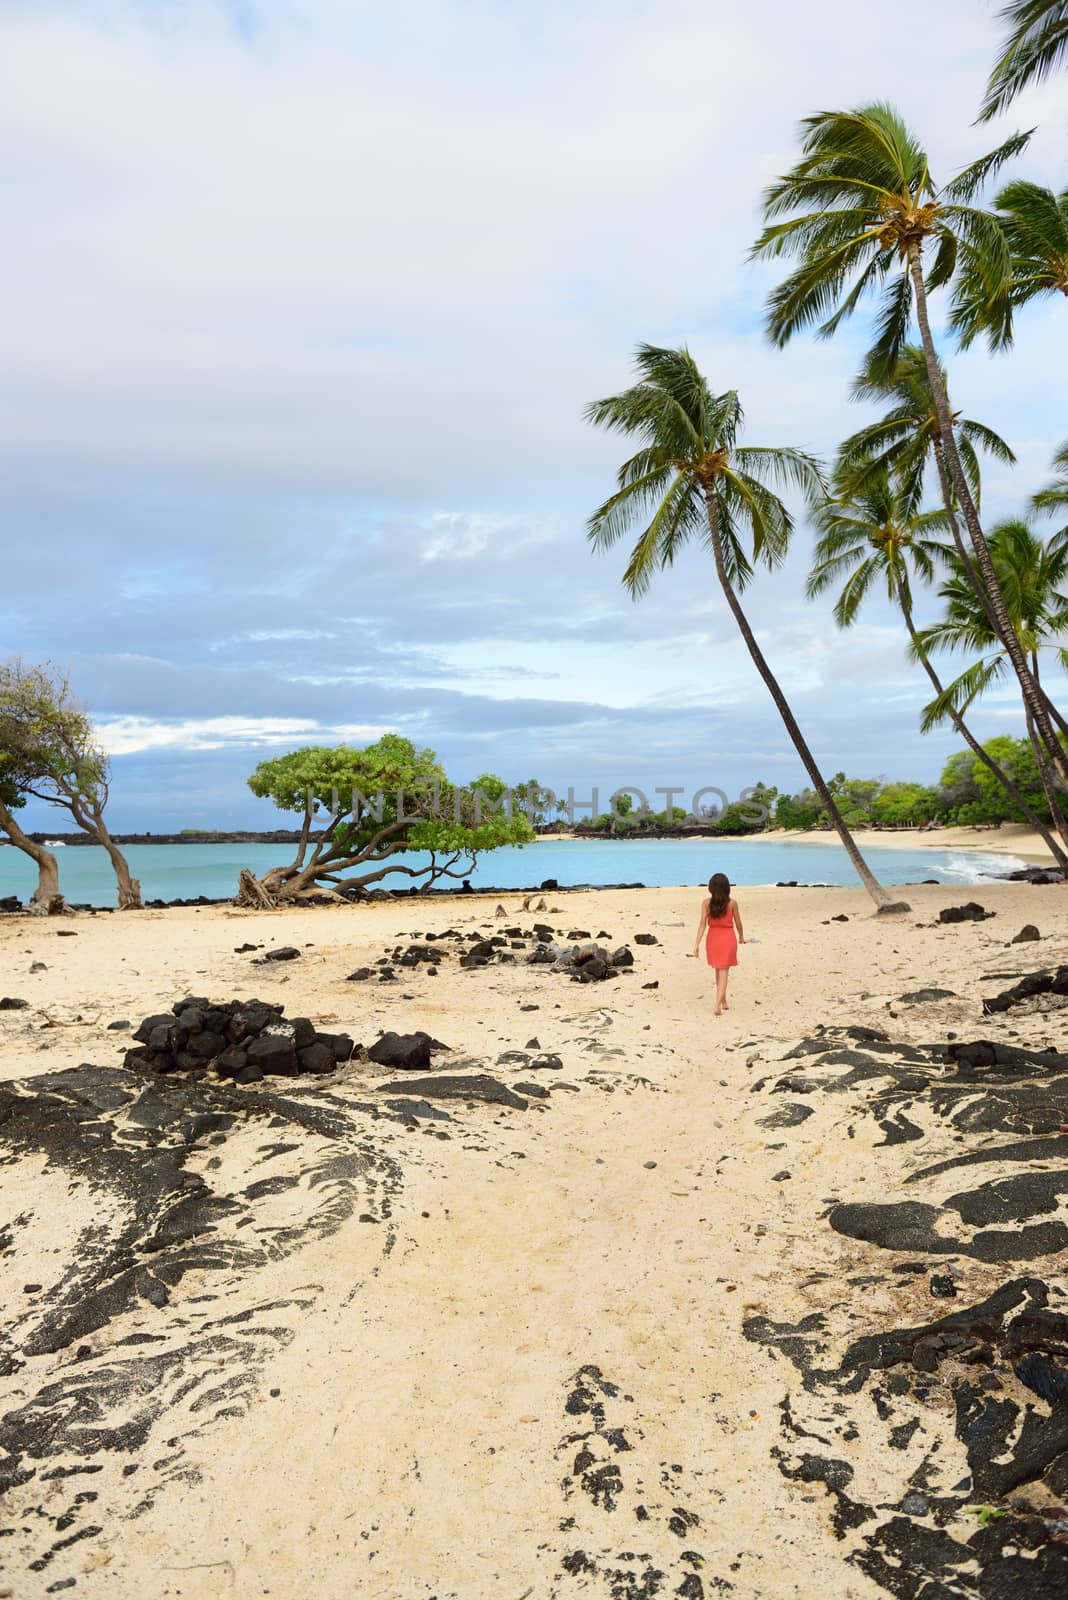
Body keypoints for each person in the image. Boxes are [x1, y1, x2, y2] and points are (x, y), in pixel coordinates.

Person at [692, 872, 744, 1015]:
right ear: (727, 887)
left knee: (719, 970)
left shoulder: (706, 903)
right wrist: (741, 935)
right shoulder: (732, 903)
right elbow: (738, 922)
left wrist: (697, 943)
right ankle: (718, 1004)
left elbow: (702, 924)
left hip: (713, 938)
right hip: (727, 938)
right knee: (722, 970)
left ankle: (722, 1000)